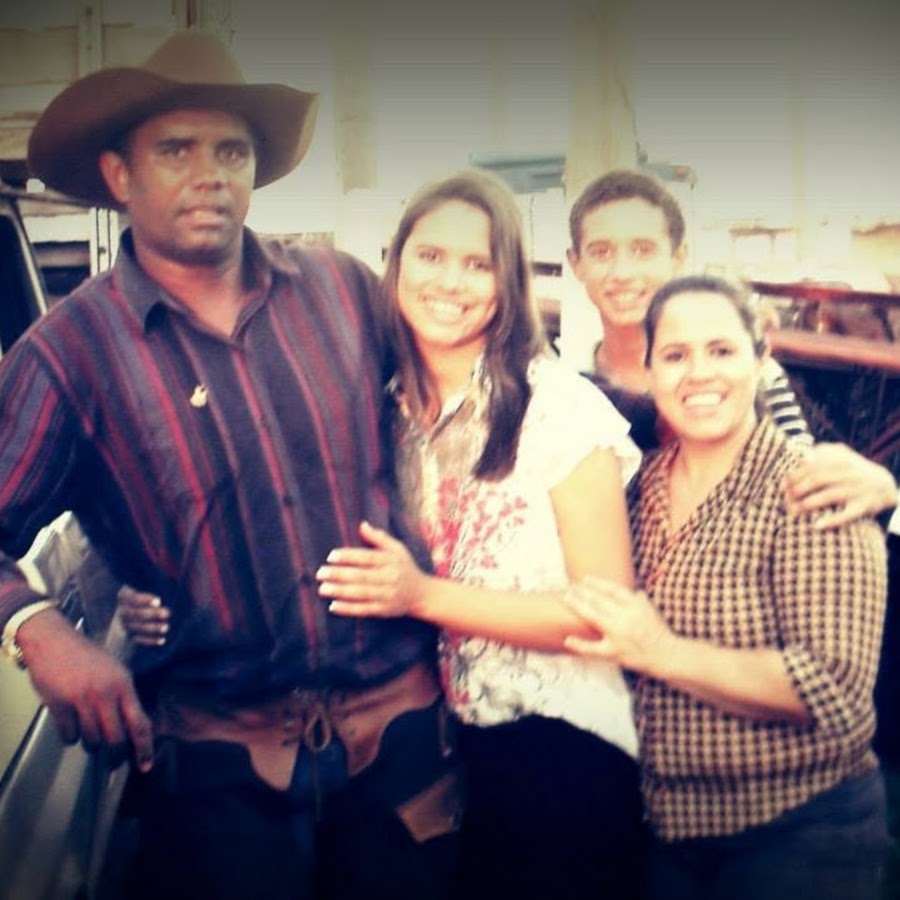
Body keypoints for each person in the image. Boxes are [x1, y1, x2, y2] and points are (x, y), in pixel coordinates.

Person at [2, 30, 462, 900]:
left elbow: (480, 391)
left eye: (231, 152)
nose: (209, 174)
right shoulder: (68, 355)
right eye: (176, 150)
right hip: (217, 773)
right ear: (119, 175)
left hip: (400, 747)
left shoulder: (344, 291)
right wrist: (39, 628)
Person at [311, 168, 644, 900]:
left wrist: (422, 596)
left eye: (478, 263)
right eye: (431, 256)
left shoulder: (557, 409)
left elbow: (605, 616)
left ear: (507, 282)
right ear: (396, 264)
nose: (450, 282)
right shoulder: (386, 411)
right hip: (441, 743)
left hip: (560, 746)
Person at [564, 275, 888, 900]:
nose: (699, 373)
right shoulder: (641, 484)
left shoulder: (812, 489)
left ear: (762, 359)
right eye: (675, 355)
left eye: (721, 350)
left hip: (799, 829)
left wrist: (660, 651)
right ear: (650, 371)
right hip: (670, 828)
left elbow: (834, 690)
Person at [566, 168, 899, 527]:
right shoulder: (566, 389)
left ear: (678, 257)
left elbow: (801, 473)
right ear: (575, 263)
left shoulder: (745, 375)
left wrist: (881, 489)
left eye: (642, 250)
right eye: (601, 252)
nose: (622, 272)